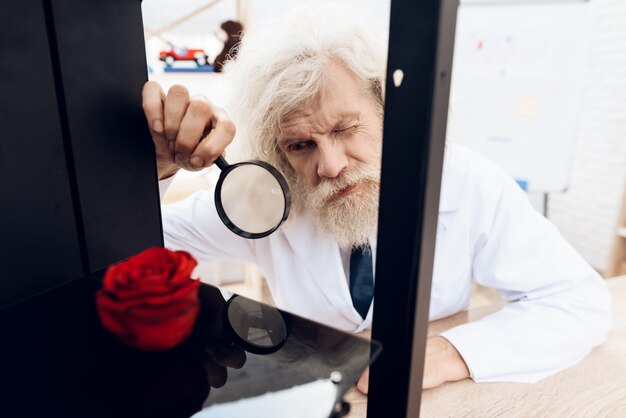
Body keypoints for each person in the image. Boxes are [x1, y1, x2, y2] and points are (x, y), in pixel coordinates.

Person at [141, 3, 611, 392]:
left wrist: (446, 354)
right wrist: (157, 169)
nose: (330, 165)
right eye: (301, 145)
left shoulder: (467, 183)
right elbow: (142, 246)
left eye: (345, 128)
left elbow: (578, 302)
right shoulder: (268, 200)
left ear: (389, 108)